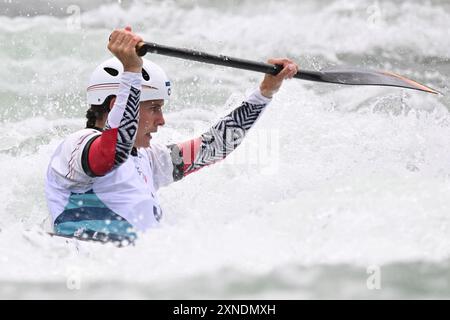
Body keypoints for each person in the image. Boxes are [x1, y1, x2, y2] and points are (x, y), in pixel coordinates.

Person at [44, 26, 299, 245]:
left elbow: (214, 147)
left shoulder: (149, 160)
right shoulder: (75, 148)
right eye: (154, 108)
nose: (161, 120)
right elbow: (112, 152)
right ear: (116, 105)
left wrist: (265, 92)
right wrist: (132, 71)